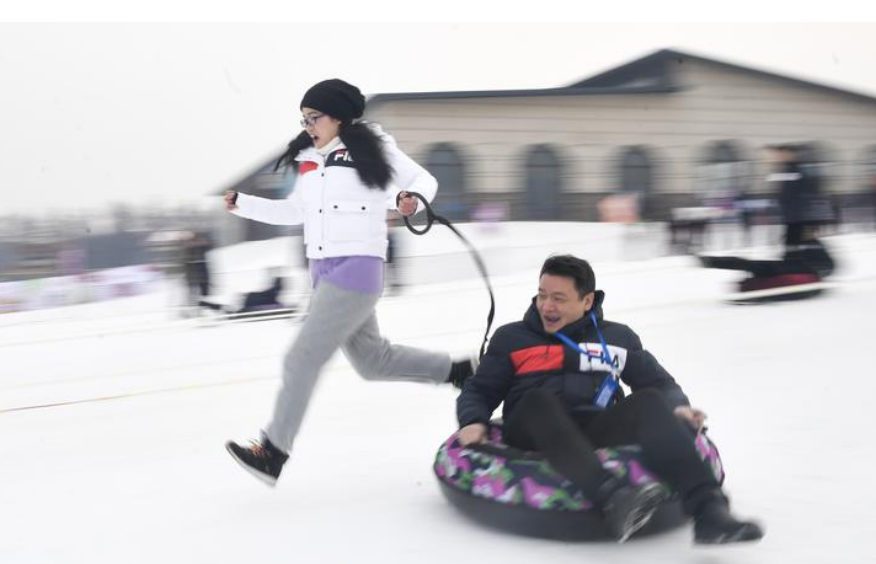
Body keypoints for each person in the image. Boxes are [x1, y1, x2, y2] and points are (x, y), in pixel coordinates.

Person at [224, 79, 474, 485]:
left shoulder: (370, 147)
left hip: (358, 268)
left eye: (314, 117)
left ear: (338, 115)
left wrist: (409, 198)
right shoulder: (308, 158)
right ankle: (461, 371)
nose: (307, 125)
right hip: (322, 271)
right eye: (303, 119)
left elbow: (423, 180)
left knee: (301, 358)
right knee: (373, 362)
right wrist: (244, 204)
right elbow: (296, 213)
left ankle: (273, 452)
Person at [456, 255, 764, 544]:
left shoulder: (618, 338)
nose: (546, 305)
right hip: (533, 427)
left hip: (593, 425)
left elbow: (658, 382)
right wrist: (473, 421)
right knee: (539, 400)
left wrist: (678, 408)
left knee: (649, 401)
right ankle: (614, 498)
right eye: (542, 295)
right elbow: (479, 389)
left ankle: (709, 511)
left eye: (558, 298)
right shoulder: (512, 338)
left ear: (587, 300)